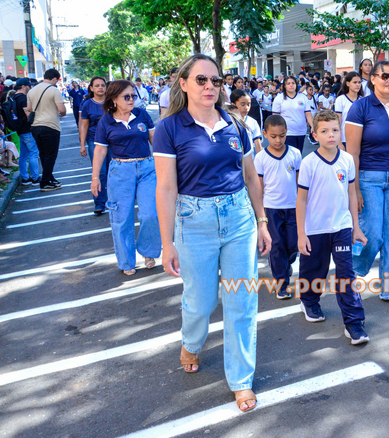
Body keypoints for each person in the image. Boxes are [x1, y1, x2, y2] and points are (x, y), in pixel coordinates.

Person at [153, 54, 271, 414]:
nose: (209, 87)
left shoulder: (235, 123)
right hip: (194, 221)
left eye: (215, 81)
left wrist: (262, 221)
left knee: (242, 302)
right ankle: (191, 342)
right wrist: (166, 242)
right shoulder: (169, 128)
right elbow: (166, 188)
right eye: (201, 80)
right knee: (201, 301)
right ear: (184, 83)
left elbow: (251, 177)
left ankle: (241, 380)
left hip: (238, 218)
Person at [345, 60, 389, 307]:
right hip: (368, 177)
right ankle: (353, 270)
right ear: (372, 78)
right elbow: (352, 152)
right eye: (385, 75)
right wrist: (353, 189)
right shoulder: (360, 108)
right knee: (371, 232)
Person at [296, 109, 368, 344]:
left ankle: (354, 322)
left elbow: (350, 194)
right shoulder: (308, 163)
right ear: (314, 135)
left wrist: (356, 227)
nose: (331, 135)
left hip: (341, 227)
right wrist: (301, 234)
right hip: (315, 229)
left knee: (346, 274)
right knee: (315, 269)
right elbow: (301, 200)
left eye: (335, 130)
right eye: (324, 131)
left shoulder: (347, 160)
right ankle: (309, 300)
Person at [90, 80, 160, 275]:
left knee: (150, 214)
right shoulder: (106, 121)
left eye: (133, 96)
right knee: (122, 218)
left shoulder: (142, 115)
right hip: (120, 171)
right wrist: (95, 177)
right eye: (126, 97)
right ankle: (126, 261)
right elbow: (100, 150)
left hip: (147, 168)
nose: (131, 100)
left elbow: (156, 142)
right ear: (114, 99)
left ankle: (148, 251)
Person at [253, 115, 302, 299]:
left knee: (292, 244)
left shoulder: (295, 154)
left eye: (282, 136)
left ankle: (286, 264)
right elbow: (259, 187)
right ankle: (281, 282)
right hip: (271, 209)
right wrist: (260, 215)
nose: (278, 140)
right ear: (265, 134)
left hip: (293, 208)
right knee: (277, 245)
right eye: (273, 136)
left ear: (286, 133)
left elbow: (300, 182)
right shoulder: (260, 158)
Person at [27, 68, 67, 192]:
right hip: (50, 126)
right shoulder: (54, 90)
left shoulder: (32, 91)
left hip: (35, 126)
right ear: (54, 78)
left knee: (43, 154)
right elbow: (62, 110)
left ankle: (49, 178)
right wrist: (59, 111)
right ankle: (45, 182)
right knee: (51, 155)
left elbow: (29, 108)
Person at [79, 76, 110, 215]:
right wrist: (82, 144)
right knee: (100, 172)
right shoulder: (87, 104)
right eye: (97, 85)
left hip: (112, 141)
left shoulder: (112, 102)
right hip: (94, 141)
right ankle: (99, 203)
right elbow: (84, 125)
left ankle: (115, 200)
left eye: (102, 85)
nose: (100, 88)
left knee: (114, 171)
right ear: (91, 88)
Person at [7, 78, 40, 186]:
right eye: (28, 86)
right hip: (28, 130)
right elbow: (28, 115)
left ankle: (25, 178)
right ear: (23, 86)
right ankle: (35, 178)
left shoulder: (13, 97)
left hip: (20, 130)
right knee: (34, 153)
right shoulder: (23, 99)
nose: (29, 87)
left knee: (24, 155)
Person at [272, 76, 313, 152]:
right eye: (288, 83)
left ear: (296, 85)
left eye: (293, 83)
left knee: (298, 154)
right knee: (290, 155)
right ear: (284, 86)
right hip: (287, 132)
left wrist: (313, 126)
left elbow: (308, 113)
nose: (291, 85)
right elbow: (275, 117)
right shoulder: (279, 98)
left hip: (301, 132)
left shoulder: (303, 97)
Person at [334, 71, 363, 151]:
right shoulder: (341, 99)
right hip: (344, 139)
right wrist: (339, 143)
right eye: (355, 82)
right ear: (347, 83)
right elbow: (338, 122)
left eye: (359, 82)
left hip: (360, 140)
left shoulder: (363, 100)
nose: (358, 85)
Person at [228, 89, 263, 154]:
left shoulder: (253, 122)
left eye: (248, 104)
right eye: (242, 105)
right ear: (233, 104)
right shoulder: (228, 122)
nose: (246, 108)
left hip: (249, 161)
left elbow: (258, 146)